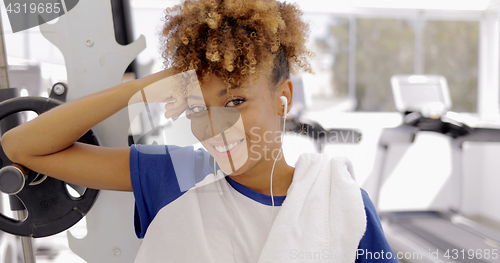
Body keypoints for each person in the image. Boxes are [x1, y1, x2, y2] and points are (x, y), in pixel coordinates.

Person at [1, 0, 398, 262]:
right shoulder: (175, 174)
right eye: (196, 108)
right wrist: (146, 86)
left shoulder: (340, 202)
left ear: (283, 98)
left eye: (236, 102)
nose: (215, 129)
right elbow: (22, 146)